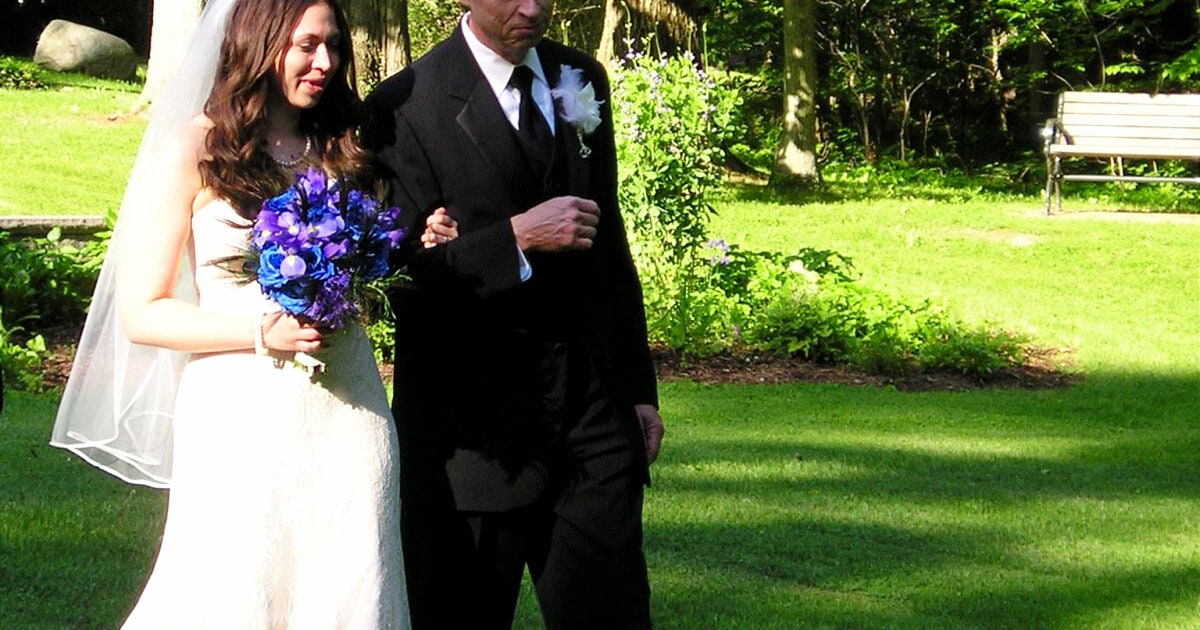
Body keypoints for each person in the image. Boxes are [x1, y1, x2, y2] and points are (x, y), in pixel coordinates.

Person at [51, 0, 452, 626]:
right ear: (258, 42)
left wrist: (408, 243)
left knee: (353, 588)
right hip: (240, 417)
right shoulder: (196, 148)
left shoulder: (344, 146)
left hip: (351, 411)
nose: (326, 63)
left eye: (335, 47)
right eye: (306, 45)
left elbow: (376, 264)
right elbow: (144, 313)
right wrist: (260, 332)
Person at [363, 0, 665, 627]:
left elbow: (610, 245)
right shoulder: (403, 106)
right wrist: (516, 238)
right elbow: (401, 284)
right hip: (471, 437)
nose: (532, 9)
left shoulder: (579, 77)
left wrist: (637, 390)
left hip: (592, 422)